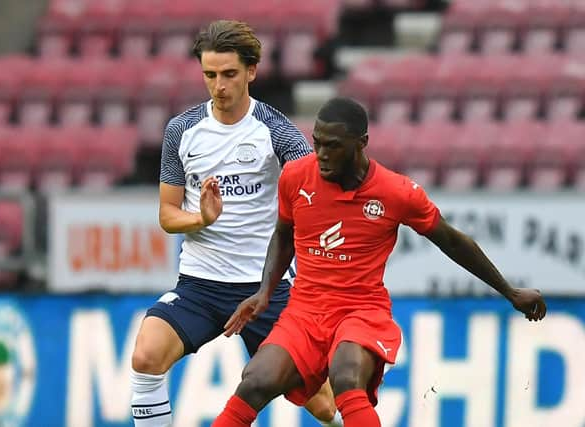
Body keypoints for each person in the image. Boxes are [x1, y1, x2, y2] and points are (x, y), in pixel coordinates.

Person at [211, 97, 548, 427]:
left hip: (361, 311)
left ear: (362, 143)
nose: (322, 155)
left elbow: (451, 240)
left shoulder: (396, 192)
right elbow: (284, 235)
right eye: (317, 143)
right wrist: (264, 292)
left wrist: (509, 291)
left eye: (333, 145)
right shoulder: (295, 177)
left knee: (346, 376)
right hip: (305, 312)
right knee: (255, 381)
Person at [129, 20, 342, 427]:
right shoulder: (181, 131)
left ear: (251, 71)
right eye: (210, 75)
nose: (219, 85)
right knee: (146, 356)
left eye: (229, 74)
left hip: (266, 290)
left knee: (322, 404)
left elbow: (315, 197)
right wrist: (201, 217)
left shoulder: (277, 132)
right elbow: (167, 215)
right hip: (199, 286)